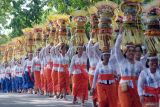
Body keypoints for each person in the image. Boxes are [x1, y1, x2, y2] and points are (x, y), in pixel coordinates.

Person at [115, 26, 143, 107]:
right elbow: (116, 48)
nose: (131, 52)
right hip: (124, 88)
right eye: (129, 51)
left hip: (136, 89)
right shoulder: (122, 61)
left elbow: (144, 77)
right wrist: (120, 35)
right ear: (125, 52)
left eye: (133, 51)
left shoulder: (139, 64)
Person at [86, 39, 101, 107]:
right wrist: (92, 38)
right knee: (93, 89)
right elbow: (89, 47)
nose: (93, 49)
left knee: (98, 89)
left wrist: (101, 38)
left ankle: (99, 102)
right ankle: (94, 103)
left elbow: (95, 48)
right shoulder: (90, 56)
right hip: (92, 75)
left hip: (99, 75)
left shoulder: (99, 56)